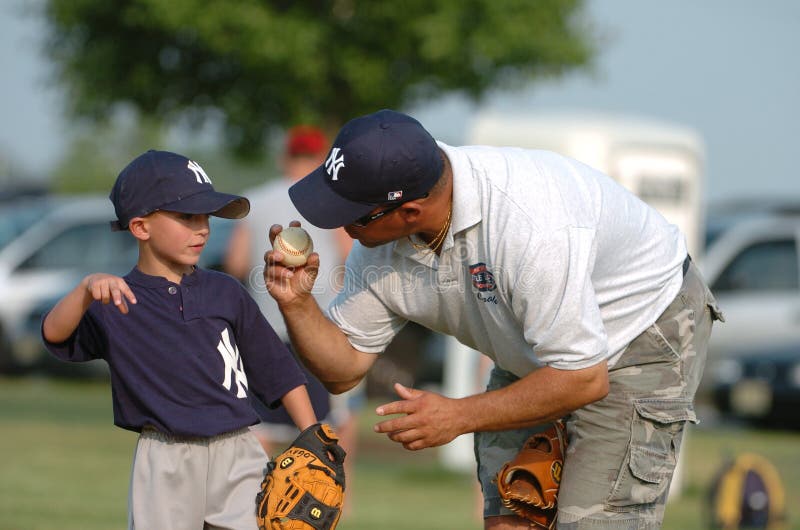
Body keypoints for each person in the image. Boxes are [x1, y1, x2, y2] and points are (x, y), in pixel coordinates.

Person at [264, 109, 724, 530]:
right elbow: (343, 370)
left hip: (641, 332)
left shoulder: (529, 225)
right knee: (512, 516)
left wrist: (459, 415)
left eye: (354, 215)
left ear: (409, 211)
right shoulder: (378, 244)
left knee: (595, 521)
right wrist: (297, 303)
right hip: (540, 343)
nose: (342, 227)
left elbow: (583, 378)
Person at [41, 150, 317, 530]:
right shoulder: (117, 299)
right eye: (187, 217)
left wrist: (312, 439)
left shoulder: (225, 291)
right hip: (166, 458)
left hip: (238, 451)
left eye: (205, 216)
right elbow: (54, 334)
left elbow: (277, 368)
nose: (202, 228)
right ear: (141, 227)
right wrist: (86, 289)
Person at [224, 126, 362, 510]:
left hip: (264, 330)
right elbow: (350, 257)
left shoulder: (257, 199)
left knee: (262, 426)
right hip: (319, 328)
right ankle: (329, 503)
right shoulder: (331, 202)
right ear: (320, 160)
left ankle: (259, 503)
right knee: (329, 423)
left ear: (285, 157)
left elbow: (236, 263)